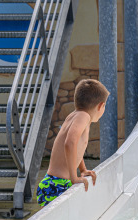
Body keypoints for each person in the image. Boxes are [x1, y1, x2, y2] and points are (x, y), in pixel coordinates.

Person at [36, 79, 109, 207]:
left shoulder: (75, 115)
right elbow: (70, 143)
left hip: (53, 183)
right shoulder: (83, 117)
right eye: (105, 106)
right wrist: (73, 177)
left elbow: (75, 148)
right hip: (58, 185)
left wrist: (83, 169)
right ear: (100, 106)